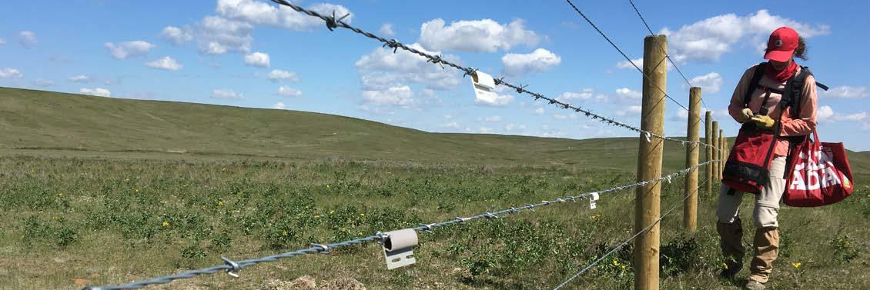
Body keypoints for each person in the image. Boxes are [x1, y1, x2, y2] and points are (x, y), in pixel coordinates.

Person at [716, 26, 818, 290]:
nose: (776, 61)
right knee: (725, 212)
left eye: (782, 56)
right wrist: (742, 114)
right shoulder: (753, 73)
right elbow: (734, 105)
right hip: (746, 147)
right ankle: (731, 262)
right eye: (773, 55)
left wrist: (776, 125)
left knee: (765, 215)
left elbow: (808, 123)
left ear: (795, 51)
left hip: (777, 152)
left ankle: (759, 274)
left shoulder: (804, 81)